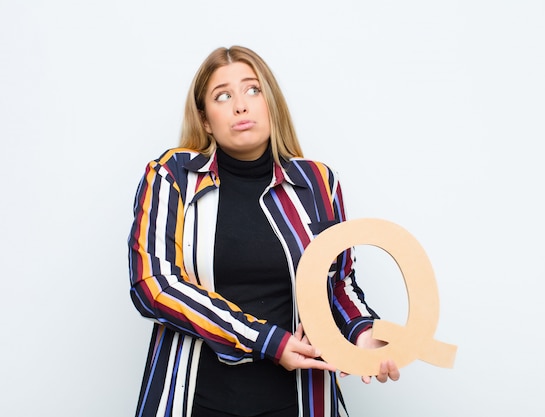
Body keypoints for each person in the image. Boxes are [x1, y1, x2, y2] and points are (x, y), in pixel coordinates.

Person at [128, 45, 400, 417]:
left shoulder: (318, 183)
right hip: (195, 400)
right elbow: (154, 286)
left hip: (300, 401)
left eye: (253, 90)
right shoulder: (172, 175)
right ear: (205, 119)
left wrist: (363, 333)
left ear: (271, 103)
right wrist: (267, 341)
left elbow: (338, 283)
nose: (241, 105)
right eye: (222, 96)